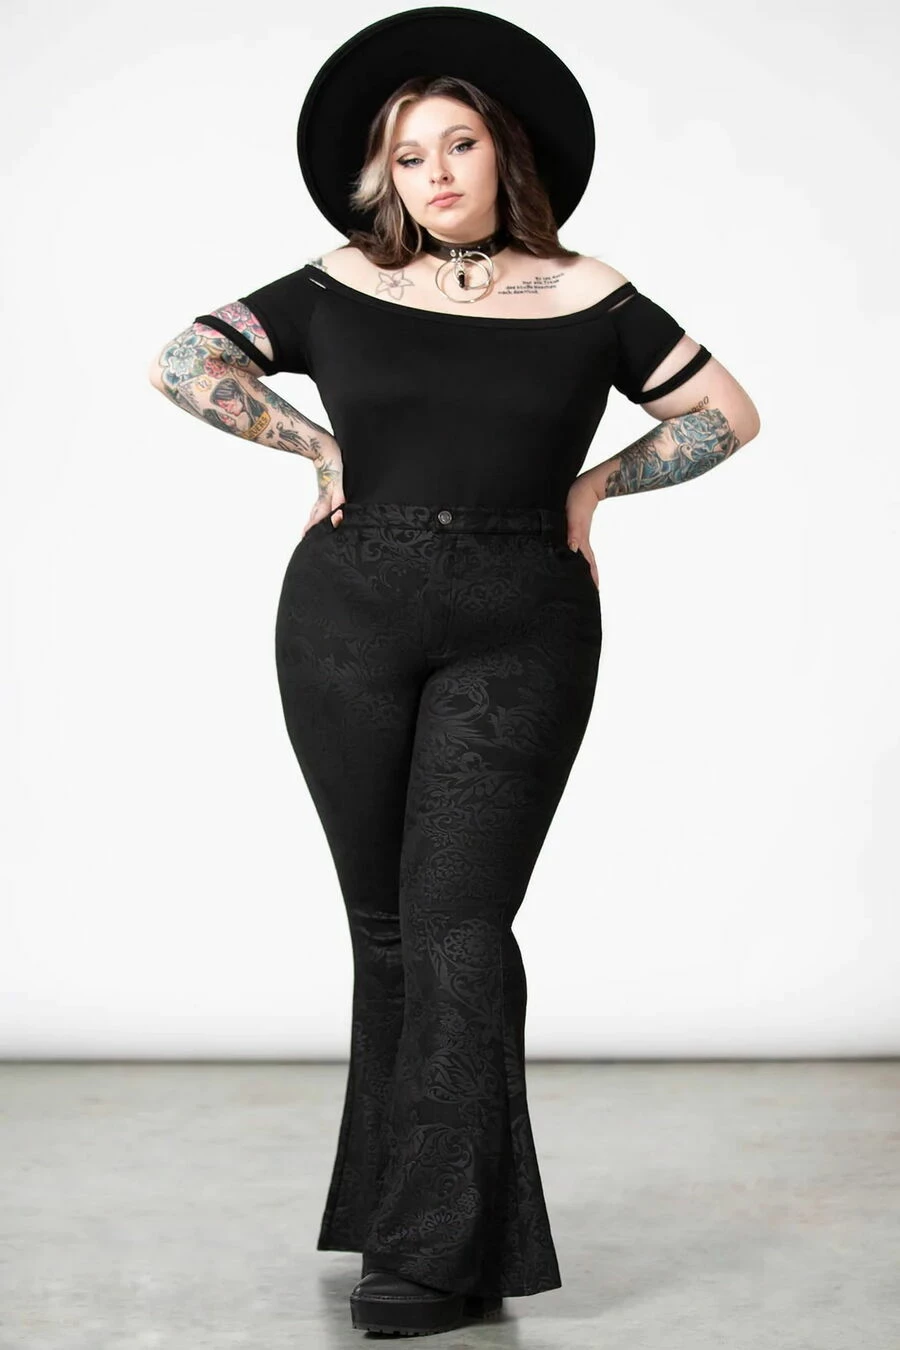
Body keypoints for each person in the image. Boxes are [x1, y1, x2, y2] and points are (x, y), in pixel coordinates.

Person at [149, 6, 761, 1337]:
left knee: (459, 924)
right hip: (347, 610)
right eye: (408, 153)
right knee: (384, 926)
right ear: (385, 174)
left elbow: (725, 411)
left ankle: (432, 1255)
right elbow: (185, 359)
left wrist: (597, 485)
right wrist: (312, 446)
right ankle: (406, 1212)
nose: (434, 172)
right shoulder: (336, 284)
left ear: (505, 153)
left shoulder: (589, 294)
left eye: (459, 144)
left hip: (521, 614)